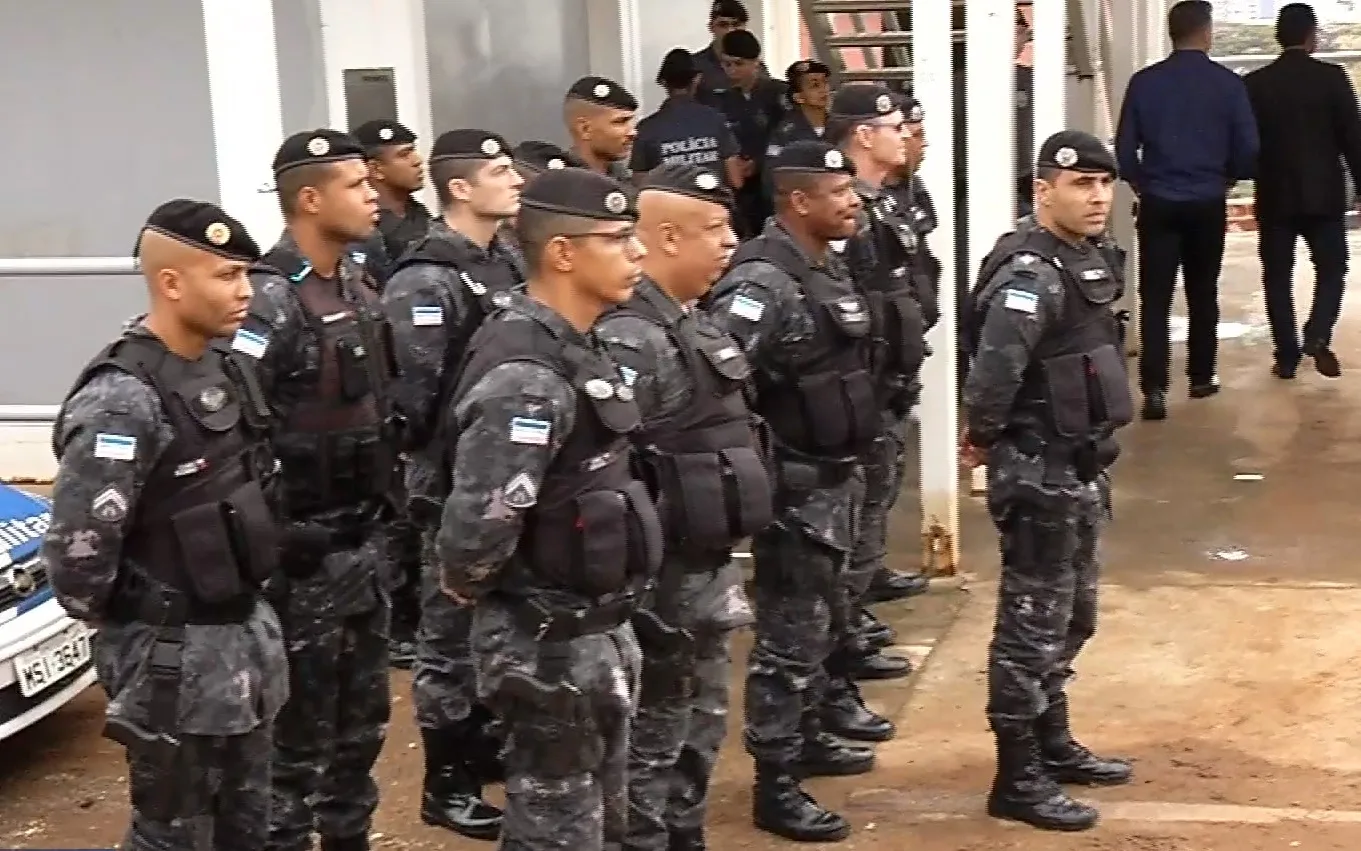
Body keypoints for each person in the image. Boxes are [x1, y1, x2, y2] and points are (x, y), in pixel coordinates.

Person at [44, 199, 288, 851]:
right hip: (172, 662)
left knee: (247, 825)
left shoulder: (228, 368)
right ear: (171, 282)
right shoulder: (122, 397)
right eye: (227, 276)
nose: (245, 291)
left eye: (246, 275)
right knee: (173, 833)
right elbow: (77, 557)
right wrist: (142, 621)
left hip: (243, 649)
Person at [432, 167, 660, 850]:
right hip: (545, 640)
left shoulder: (575, 344)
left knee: (601, 820)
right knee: (556, 827)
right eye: (619, 239)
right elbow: (479, 524)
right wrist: (477, 585)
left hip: (594, 627)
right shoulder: (524, 374)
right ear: (562, 252)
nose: (638, 253)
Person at [961, 131, 1136, 833]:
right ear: (1043, 190)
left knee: (1071, 616)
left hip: (1078, 466)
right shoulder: (1029, 273)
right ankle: (1016, 772)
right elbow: (991, 378)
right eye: (1080, 184)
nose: (1096, 196)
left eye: (1103, 183)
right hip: (1037, 472)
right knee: (1029, 628)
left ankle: (1051, 739)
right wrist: (983, 440)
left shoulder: (1082, 259)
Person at [708, 140, 878, 844]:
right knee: (785, 641)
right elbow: (720, 383)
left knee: (823, 628)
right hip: (793, 490)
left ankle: (806, 737)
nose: (853, 201)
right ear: (798, 201)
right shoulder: (761, 282)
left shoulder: (823, 263)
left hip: (836, 481)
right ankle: (774, 783)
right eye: (838, 191)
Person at [594, 164, 765, 851]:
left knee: (698, 725)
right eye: (714, 229)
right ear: (664, 237)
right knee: (651, 736)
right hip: (656, 582)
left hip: (705, 569)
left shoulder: (692, 322)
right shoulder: (630, 336)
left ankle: (683, 833)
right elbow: (609, 464)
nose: (730, 242)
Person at [238, 129, 399, 851]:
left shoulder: (358, 283)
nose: (373, 196)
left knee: (359, 729)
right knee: (292, 740)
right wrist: (276, 535)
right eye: (355, 184)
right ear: (309, 198)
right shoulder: (267, 300)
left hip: (364, 547)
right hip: (300, 561)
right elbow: (234, 433)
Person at [382, 128, 527, 841]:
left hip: (498, 474)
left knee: (489, 623)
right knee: (447, 635)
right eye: (498, 171)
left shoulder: (504, 258)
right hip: (450, 479)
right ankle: (446, 779)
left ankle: (479, 742)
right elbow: (416, 400)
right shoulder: (426, 277)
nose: (514, 180)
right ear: (460, 188)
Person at [824, 84, 923, 705]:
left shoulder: (884, 203)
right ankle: (838, 653)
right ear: (863, 134)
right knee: (850, 527)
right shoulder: (848, 214)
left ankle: (851, 629)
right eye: (891, 127)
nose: (903, 135)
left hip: (887, 385)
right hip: (861, 394)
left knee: (870, 517)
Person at [1115, 0, 1258, 420]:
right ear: (1207, 32)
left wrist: (1143, 180)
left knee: (1155, 297)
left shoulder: (1144, 83)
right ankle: (1200, 376)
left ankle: (1155, 390)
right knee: (1202, 291)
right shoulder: (1229, 84)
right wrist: (1229, 177)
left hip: (1159, 201)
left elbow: (1124, 150)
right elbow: (1249, 149)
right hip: (1207, 201)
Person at [1244, 2, 1361, 379]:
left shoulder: (1256, 83)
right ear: (1312, 36)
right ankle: (1317, 334)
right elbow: (1354, 140)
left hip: (1275, 195)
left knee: (1277, 277)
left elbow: (1247, 144)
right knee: (1333, 269)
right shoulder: (1333, 78)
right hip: (1323, 195)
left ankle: (1287, 357)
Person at [630, 48, 742, 189]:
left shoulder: (646, 128)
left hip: (670, 207)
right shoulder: (716, 120)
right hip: (713, 206)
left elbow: (640, 185)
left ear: (664, 82)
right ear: (696, 79)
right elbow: (736, 181)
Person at [715, 29, 788, 238]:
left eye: (739, 64)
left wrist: (759, 162)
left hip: (774, 183)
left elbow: (789, 138)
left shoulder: (778, 94)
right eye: (726, 64)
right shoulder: (723, 99)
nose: (732, 71)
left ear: (756, 62)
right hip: (742, 188)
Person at [352, 119, 432, 283]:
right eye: (404, 155)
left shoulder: (422, 216)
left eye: (413, 151)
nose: (417, 161)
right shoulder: (358, 227)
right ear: (375, 169)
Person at [692, 0, 768, 107]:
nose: (730, 30)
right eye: (723, 25)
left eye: (736, 24)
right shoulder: (695, 66)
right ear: (711, 27)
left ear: (745, 27)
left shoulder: (755, 66)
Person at [563, 75, 638, 182]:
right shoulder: (562, 187)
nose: (633, 132)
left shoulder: (625, 180)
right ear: (585, 129)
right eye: (620, 122)